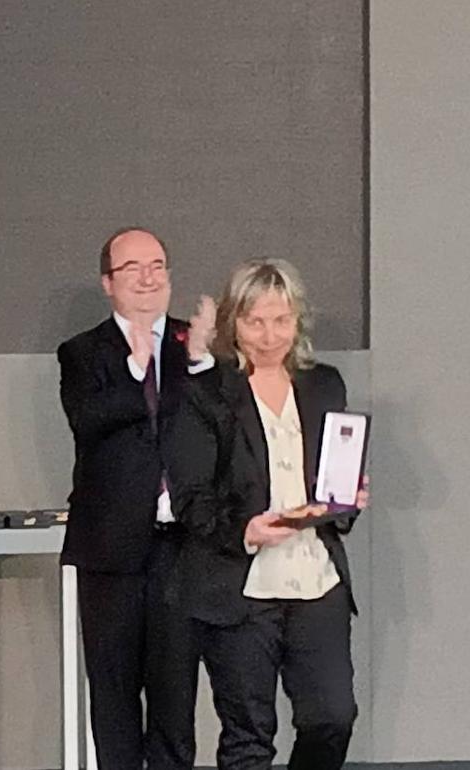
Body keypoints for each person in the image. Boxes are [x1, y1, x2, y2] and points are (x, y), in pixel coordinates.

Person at [166, 258, 366, 770]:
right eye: (256, 321)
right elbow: (191, 498)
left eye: (282, 320)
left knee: (332, 717)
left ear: (298, 321)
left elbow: (330, 478)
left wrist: (345, 502)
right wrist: (245, 530)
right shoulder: (206, 394)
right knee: (249, 738)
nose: (270, 334)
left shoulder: (325, 385)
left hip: (315, 580)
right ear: (233, 322)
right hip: (239, 585)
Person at [56, 227, 213, 770]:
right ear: (107, 282)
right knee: (115, 702)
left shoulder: (195, 346)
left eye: (158, 265)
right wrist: (135, 369)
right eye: (132, 268)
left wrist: (201, 364)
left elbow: (219, 430)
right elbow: (89, 420)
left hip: (181, 550)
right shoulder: (82, 353)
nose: (148, 278)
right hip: (110, 554)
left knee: (175, 704)